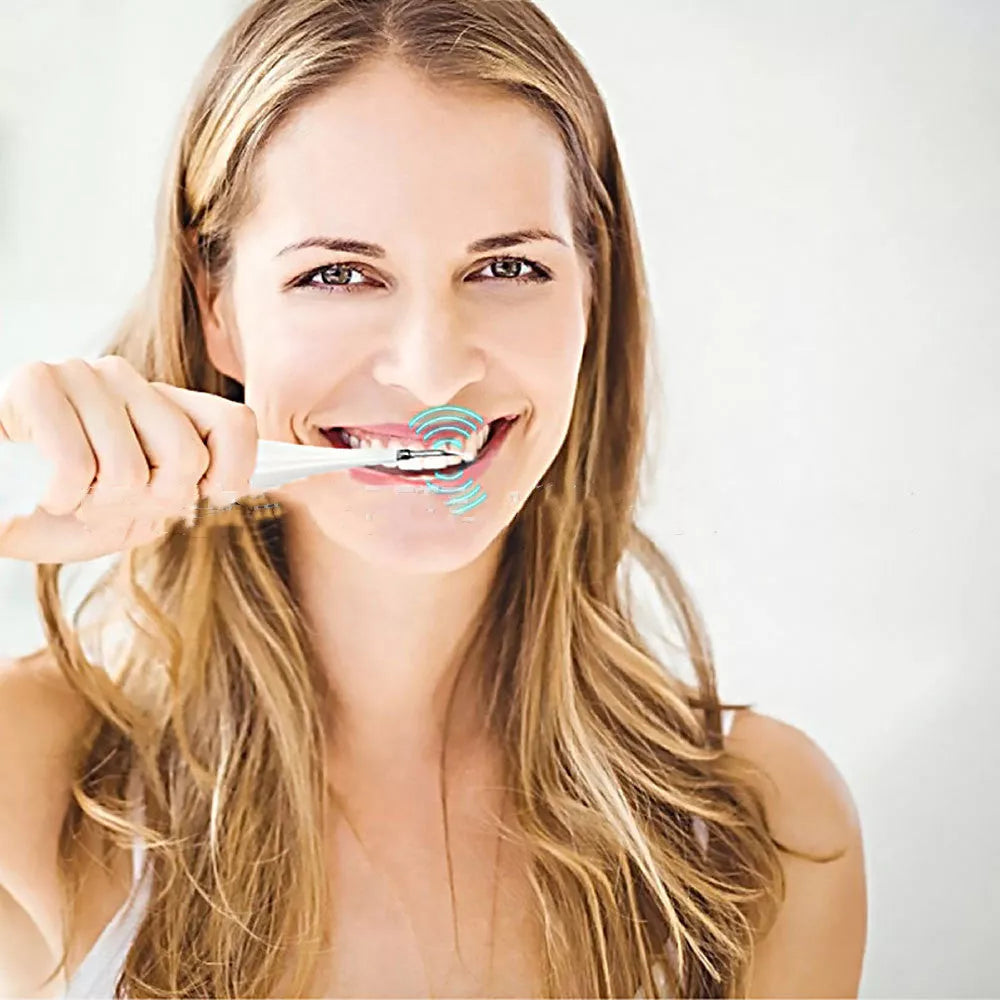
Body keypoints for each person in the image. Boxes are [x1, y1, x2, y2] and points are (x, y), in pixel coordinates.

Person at [0, 0, 867, 997]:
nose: (431, 372)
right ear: (217, 308)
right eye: (338, 273)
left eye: (506, 266)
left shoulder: (764, 827)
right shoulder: (36, 778)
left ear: (592, 289)